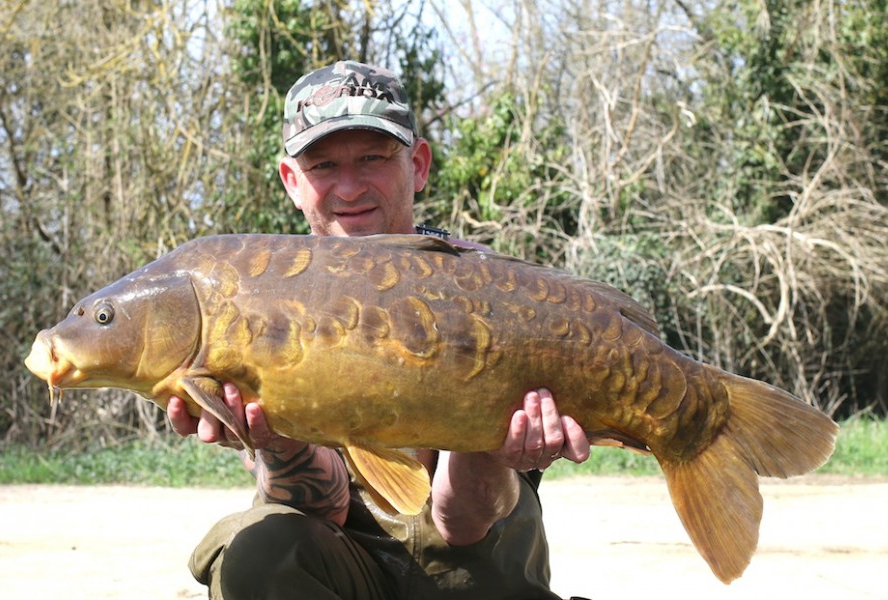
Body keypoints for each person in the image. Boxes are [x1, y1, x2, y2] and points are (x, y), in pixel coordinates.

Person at [166, 60, 591, 600]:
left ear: (416, 164)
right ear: (292, 182)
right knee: (257, 550)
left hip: (476, 579)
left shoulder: (493, 291)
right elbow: (323, 506)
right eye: (322, 166)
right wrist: (273, 440)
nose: (349, 188)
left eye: (372, 157)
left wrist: (490, 444)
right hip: (339, 574)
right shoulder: (257, 300)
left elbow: (462, 523)